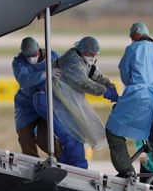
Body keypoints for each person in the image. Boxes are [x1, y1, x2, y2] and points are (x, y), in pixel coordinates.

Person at [106, 22, 153, 188]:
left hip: (139, 95)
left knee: (113, 129)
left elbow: (125, 74)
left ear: (135, 35)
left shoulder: (133, 49)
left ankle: (127, 170)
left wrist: (133, 88)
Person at [45, 36, 118, 168]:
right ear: (83, 50)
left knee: (76, 138)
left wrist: (108, 84)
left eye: (94, 55)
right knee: (73, 139)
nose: (92, 57)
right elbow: (82, 82)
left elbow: (93, 72)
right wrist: (104, 91)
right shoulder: (72, 61)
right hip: (60, 103)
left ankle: (64, 170)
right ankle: (77, 171)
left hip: (70, 102)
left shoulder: (82, 59)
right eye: (90, 54)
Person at [11, 37, 59, 157]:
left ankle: (61, 160)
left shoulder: (53, 57)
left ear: (39, 49)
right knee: (25, 136)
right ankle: (31, 164)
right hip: (26, 105)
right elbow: (24, 80)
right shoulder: (19, 62)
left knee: (45, 140)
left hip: (46, 104)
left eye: (34, 54)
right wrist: (45, 74)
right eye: (28, 56)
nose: (31, 58)